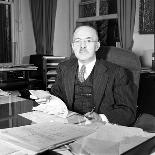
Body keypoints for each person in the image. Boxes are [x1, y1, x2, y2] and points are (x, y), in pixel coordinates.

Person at [35, 25, 137, 126]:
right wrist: (48, 98)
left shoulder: (117, 73)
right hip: (68, 126)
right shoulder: (64, 68)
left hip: (100, 131)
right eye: (78, 41)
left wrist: (101, 118)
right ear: (73, 46)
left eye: (88, 41)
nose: (82, 46)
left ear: (97, 46)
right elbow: (56, 95)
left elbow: (128, 112)